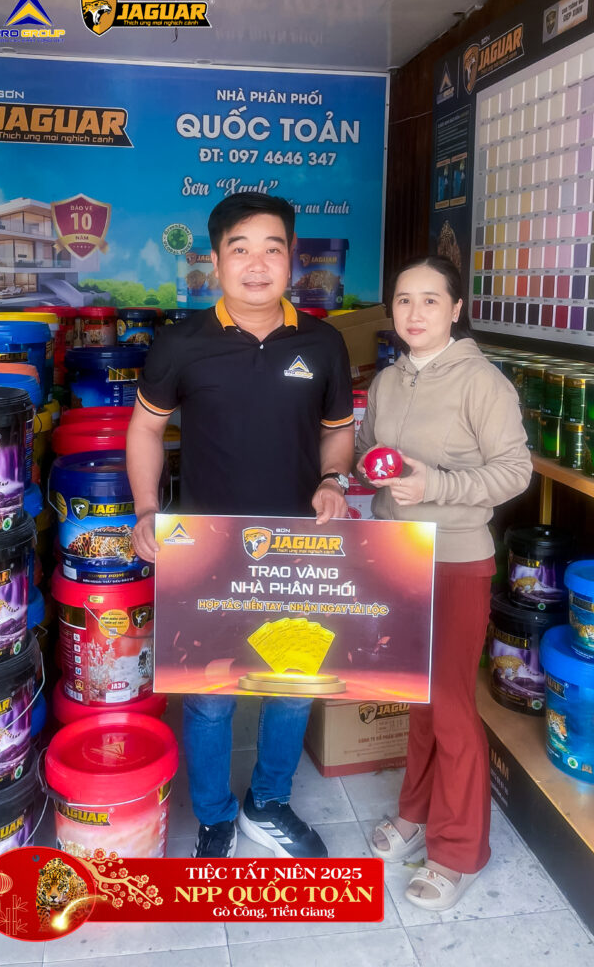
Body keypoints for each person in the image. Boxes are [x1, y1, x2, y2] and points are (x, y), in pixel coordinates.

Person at [127, 193, 354, 859]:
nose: (257, 264)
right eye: (241, 249)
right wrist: (146, 508)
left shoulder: (323, 341)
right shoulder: (181, 344)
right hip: (207, 547)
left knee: (291, 686)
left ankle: (269, 802)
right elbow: (145, 429)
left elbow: (338, 434)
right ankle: (216, 815)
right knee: (211, 696)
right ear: (216, 259)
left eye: (272, 249)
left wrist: (333, 480)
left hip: (298, 546)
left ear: (292, 257)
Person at [357, 255, 531, 911]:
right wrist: (372, 470)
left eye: (431, 300)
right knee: (418, 695)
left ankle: (459, 850)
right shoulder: (387, 380)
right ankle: (415, 812)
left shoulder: (482, 382)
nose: (415, 312)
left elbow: (514, 471)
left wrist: (436, 484)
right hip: (397, 555)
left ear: (456, 309)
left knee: (453, 705)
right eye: (404, 299)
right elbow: (370, 451)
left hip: (456, 558)